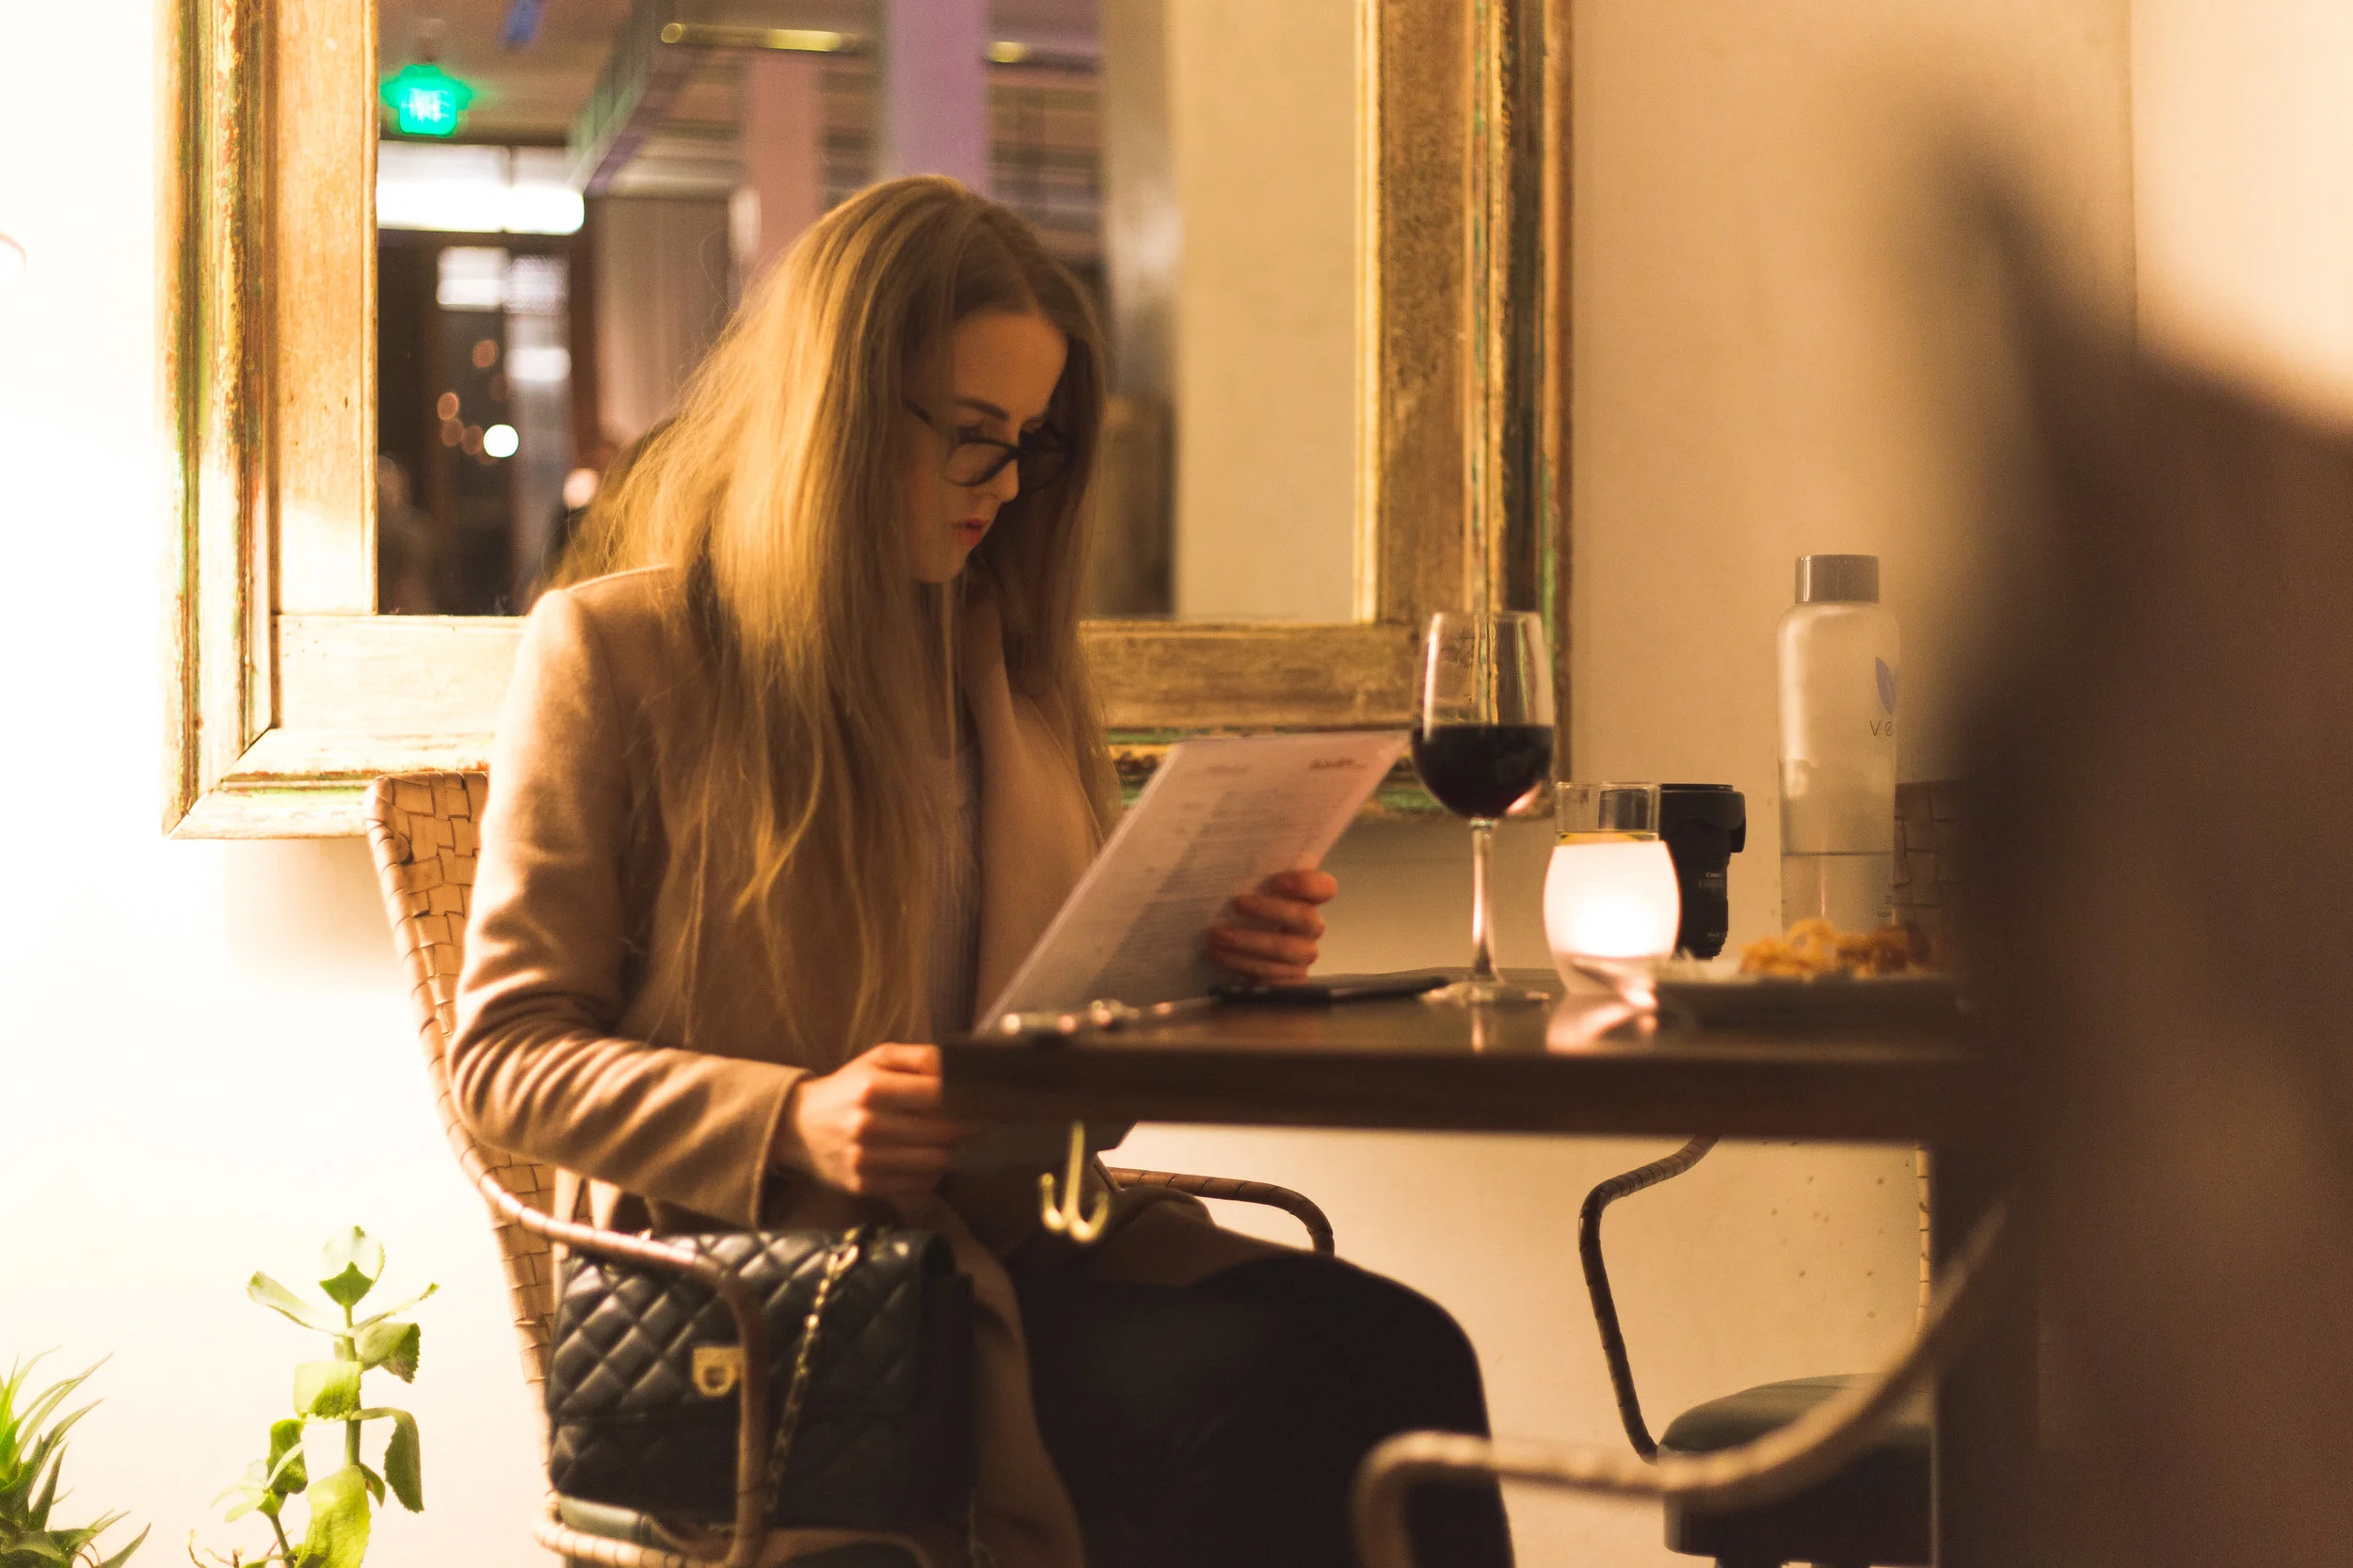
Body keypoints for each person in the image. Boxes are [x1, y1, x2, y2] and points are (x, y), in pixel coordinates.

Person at [449, 175, 1510, 1568]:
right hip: (775, 1300)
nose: (1005, 487)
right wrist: (794, 1119)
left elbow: (1086, 1109)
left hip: (1019, 1251)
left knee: (1404, 1353)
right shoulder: (618, 655)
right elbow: (504, 1061)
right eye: (968, 436)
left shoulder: (1012, 678)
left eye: (1027, 443)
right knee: (1257, 1400)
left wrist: (1211, 973)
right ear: (835, 412)